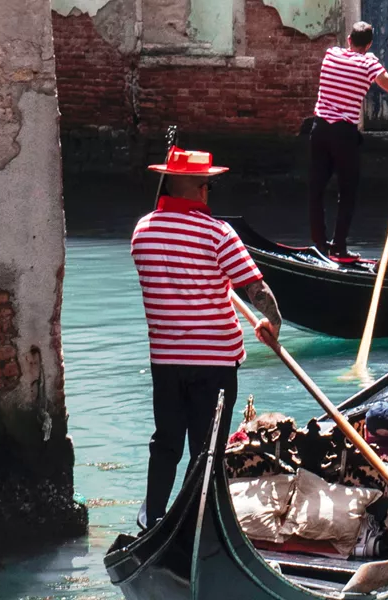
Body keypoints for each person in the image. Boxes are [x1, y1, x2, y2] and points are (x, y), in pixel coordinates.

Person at [131, 148, 283, 529]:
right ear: (200, 190)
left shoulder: (142, 232)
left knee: (166, 440)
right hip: (214, 362)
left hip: (166, 361)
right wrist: (273, 322)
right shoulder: (219, 234)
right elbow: (255, 288)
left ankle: (154, 516)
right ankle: (192, 520)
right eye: (207, 186)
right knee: (206, 449)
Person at [308, 21, 388, 260]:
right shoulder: (369, 64)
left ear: (348, 39)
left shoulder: (331, 54)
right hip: (343, 134)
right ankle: (338, 247)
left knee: (316, 189)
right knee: (347, 192)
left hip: (318, 130)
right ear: (368, 44)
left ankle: (318, 243)